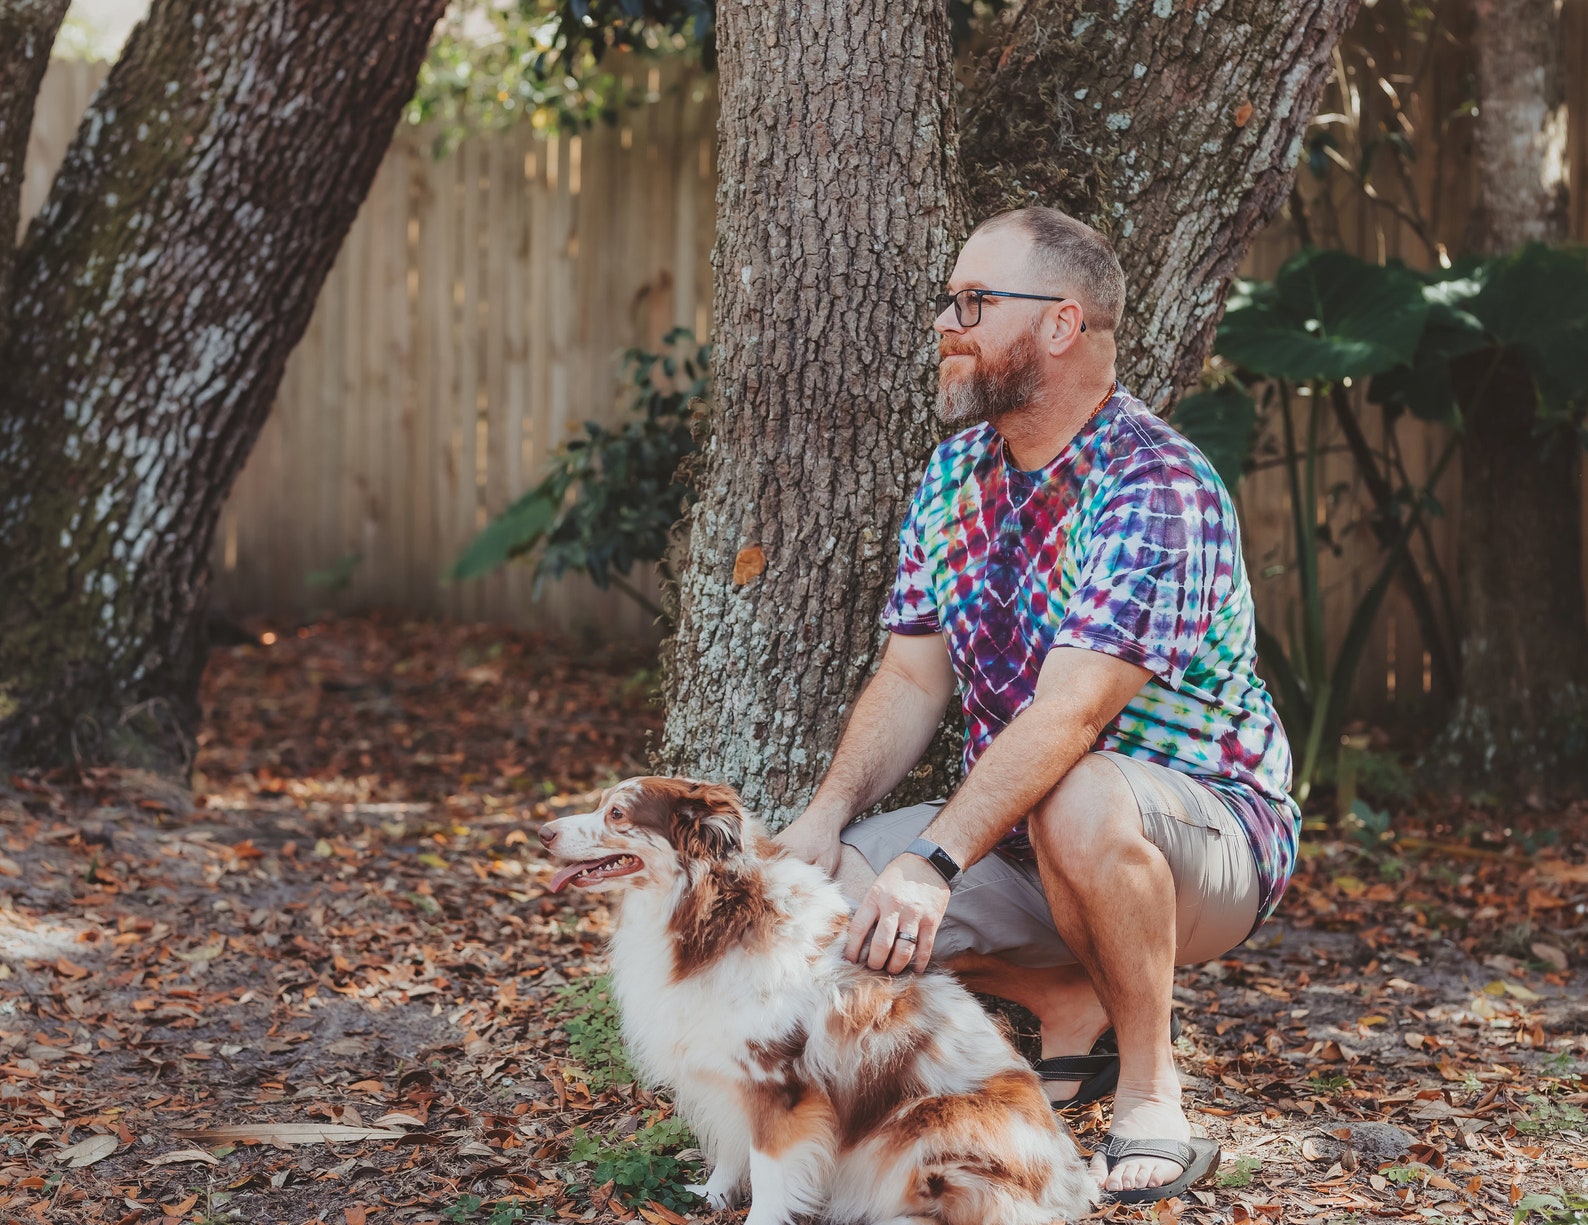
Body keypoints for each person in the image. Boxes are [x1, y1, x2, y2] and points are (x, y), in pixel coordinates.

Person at [774, 207, 1300, 1203]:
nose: (944, 321)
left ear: (1061, 325)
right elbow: (910, 679)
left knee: (1078, 792)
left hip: (1204, 836)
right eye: (947, 300)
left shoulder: (1153, 481)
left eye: (973, 301)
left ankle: (1150, 1089)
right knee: (826, 896)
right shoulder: (952, 476)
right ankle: (1066, 994)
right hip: (1021, 834)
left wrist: (934, 863)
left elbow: (1068, 719)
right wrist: (826, 813)